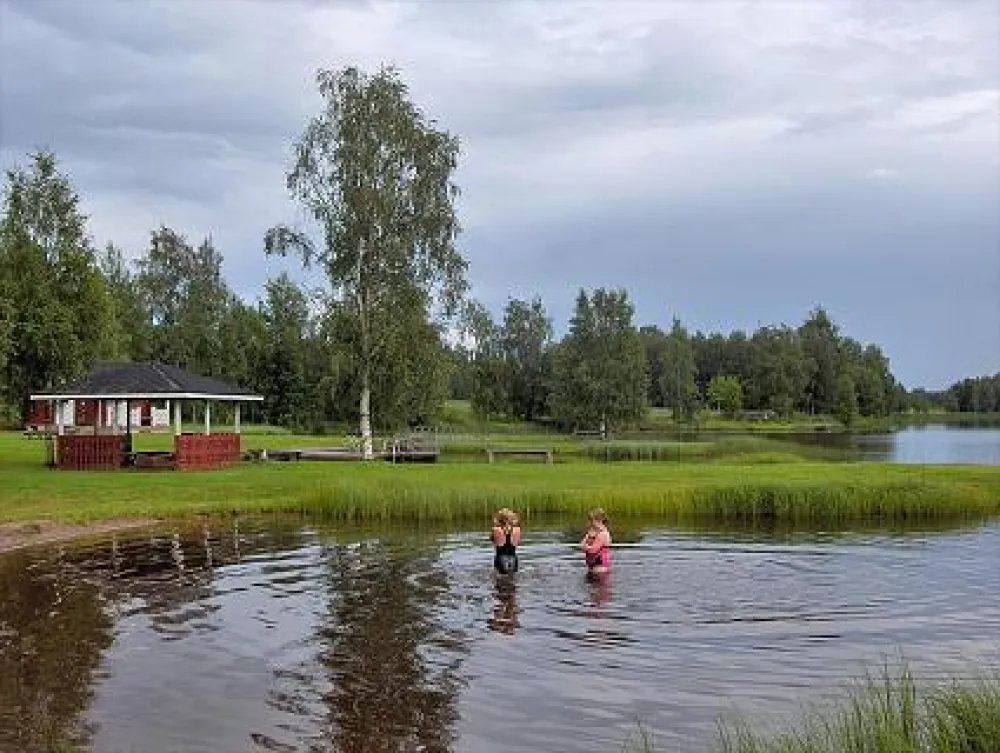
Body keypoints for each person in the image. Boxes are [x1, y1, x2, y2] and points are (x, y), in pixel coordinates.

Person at [580, 507, 611, 574]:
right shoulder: (591, 531)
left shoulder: (603, 534)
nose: (589, 523)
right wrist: (585, 546)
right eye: (589, 520)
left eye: (591, 520)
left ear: (599, 520)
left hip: (600, 568)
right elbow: (582, 543)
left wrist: (585, 547)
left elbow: (593, 550)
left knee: (598, 583)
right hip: (592, 566)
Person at [491, 507, 521, 575]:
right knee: (513, 580)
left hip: (501, 559)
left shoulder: (496, 530)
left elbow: (493, 540)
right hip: (513, 559)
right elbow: (518, 541)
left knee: (499, 581)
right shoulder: (517, 530)